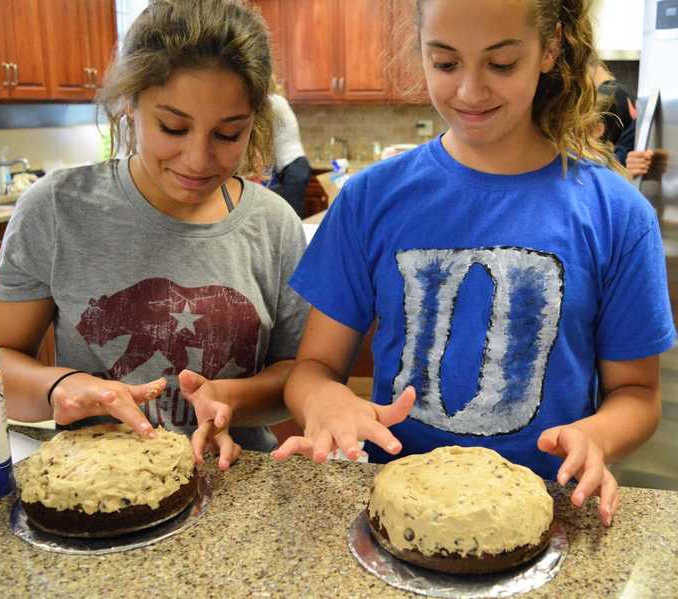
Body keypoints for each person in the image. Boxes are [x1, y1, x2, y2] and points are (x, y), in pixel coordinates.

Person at [272, 0, 675, 528]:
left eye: (501, 64)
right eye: (445, 63)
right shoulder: (371, 199)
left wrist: (595, 436)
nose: (469, 90)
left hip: (548, 516)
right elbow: (313, 370)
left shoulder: (617, 215)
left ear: (549, 48)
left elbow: (638, 395)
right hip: (396, 513)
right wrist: (325, 401)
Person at [0, 0, 308, 470]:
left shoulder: (273, 225)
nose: (197, 159)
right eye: (172, 127)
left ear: (255, 121)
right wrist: (58, 387)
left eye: (228, 135)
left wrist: (229, 398)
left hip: (231, 482)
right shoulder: (56, 209)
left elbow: (297, 376)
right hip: (93, 482)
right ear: (129, 105)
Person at [267, 83, 312, 218]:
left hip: (293, 166)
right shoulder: (278, 101)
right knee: (290, 214)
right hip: (296, 165)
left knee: (292, 216)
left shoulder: (272, 102)